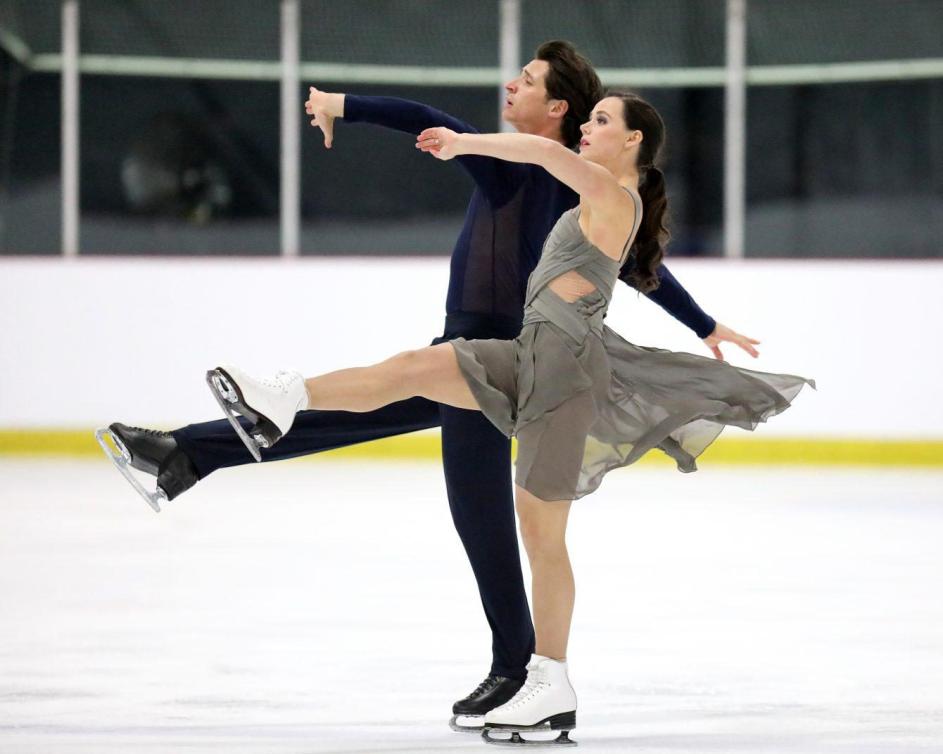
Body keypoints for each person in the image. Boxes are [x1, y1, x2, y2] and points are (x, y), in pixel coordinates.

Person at [98, 41, 756, 732]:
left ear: (556, 109)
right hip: (479, 348)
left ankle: (518, 669)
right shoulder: (550, 175)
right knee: (400, 439)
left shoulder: (533, 171)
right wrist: (705, 324)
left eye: (527, 82)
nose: (510, 85)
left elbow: (431, 119)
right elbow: (637, 265)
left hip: (498, 358)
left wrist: (341, 106)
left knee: (465, 499)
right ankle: (187, 454)